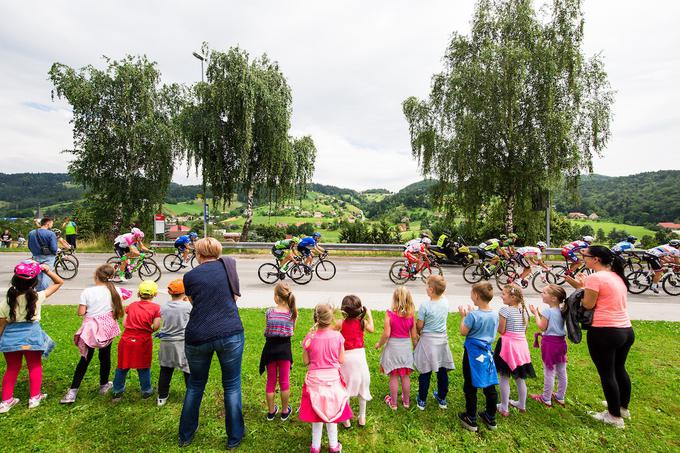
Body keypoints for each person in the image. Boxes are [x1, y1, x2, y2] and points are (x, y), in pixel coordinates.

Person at [179, 237, 245, 449]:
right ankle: (234, 437)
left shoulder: (189, 277)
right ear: (218, 251)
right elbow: (234, 297)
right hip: (230, 332)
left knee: (195, 385)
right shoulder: (229, 268)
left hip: (198, 334)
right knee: (232, 385)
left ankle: (186, 435)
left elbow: (193, 302)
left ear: (198, 255)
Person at [566, 245, 634, 428]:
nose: (583, 259)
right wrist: (583, 286)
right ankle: (622, 408)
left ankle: (613, 417)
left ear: (595, 259)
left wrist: (581, 288)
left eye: (585, 256)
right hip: (625, 329)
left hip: (605, 331)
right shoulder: (616, 275)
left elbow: (588, 304)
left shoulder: (595, 278)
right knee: (619, 369)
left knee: (607, 374)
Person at [60, 264, 129, 404]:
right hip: (107, 327)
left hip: (90, 329)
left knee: (85, 359)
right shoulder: (115, 290)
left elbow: (80, 312)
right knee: (105, 357)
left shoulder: (88, 292)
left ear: (96, 276)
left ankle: (73, 391)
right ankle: (103, 385)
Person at [0, 260, 63, 413]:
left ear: (14, 279)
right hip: (32, 338)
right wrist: (47, 271)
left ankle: (6, 401)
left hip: (10, 339)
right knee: (34, 366)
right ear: (34, 282)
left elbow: (1, 324)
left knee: (12, 368)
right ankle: (34, 397)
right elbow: (58, 282)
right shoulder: (36, 296)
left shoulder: (6, 302)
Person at [299, 303, 352, 453]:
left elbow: (306, 361)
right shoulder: (338, 336)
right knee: (332, 412)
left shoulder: (310, 337)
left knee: (317, 414)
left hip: (315, 382)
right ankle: (334, 446)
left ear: (316, 318)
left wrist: (306, 347)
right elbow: (341, 360)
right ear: (331, 318)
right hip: (333, 381)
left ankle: (315, 447)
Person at [458, 282, 499, 432]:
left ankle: (471, 417)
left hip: (473, 354)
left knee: (470, 384)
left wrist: (464, 316)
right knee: (490, 385)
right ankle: (490, 416)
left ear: (476, 295)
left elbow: (463, 331)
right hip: (487, 353)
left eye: (471, 293)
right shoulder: (494, 314)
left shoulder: (473, 315)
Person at [111, 281, 161, 401]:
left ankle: (117, 391)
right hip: (143, 340)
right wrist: (149, 328)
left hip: (126, 339)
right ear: (155, 294)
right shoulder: (156, 308)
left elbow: (124, 323)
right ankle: (146, 391)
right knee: (143, 366)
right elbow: (156, 326)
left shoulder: (132, 305)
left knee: (122, 366)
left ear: (138, 293)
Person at [414, 275, 455, 411]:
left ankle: (422, 400)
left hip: (428, 342)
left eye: (426, 286)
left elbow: (419, 325)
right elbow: (441, 294)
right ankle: (442, 399)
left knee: (425, 372)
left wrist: (417, 332)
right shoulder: (446, 302)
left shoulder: (425, 305)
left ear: (431, 290)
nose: (425, 288)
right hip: (442, 340)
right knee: (442, 371)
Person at [494, 284, 535, 417]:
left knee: (504, 376)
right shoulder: (524, 312)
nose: (501, 296)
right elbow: (525, 330)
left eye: (504, 294)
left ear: (512, 297)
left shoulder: (504, 311)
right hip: (521, 348)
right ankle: (521, 404)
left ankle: (504, 407)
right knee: (519, 377)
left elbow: (502, 330)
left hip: (507, 347)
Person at [375, 286, 418, 410]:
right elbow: (414, 336)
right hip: (405, 348)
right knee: (405, 376)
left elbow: (386, 334)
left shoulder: (389, 314)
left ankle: (393, 403)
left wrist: (379, 344)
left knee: (393, 375)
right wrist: (415, 348)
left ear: (394, 299)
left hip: (393, 347)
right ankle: (406, 402)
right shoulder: (411, 316)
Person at [259, 282, 297, 421]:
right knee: (284, 382)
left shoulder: (269, 312)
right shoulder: (292, 314)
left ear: (276, 297)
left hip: (270, 349)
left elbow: (268, 329)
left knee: (271, 381)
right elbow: (292, 331)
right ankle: (285, 410)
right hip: (284, 351)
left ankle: (270, 412)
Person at [336, 294, 374, 427]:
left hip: (346, 358)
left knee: (344, 386)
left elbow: (329, 327)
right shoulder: (362, 322)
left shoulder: (340, 323)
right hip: (359, 357)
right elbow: (372, 329)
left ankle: (346, 419)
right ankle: (362, 417)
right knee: (362, 387)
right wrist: (369, 314)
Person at [529, 284, 568, 408]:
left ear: (554, 298)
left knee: (549, 371)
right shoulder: (562, 310)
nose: (542, 293)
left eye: (545, 292)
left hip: (550, 344)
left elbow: (542, 326)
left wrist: (535, 314)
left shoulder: (547, 311)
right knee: (562, 371)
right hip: (561, 343)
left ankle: (546, 398)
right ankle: (560, 397)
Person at [157, 279, 193, 407]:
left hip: (166, 342)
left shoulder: (164, 307)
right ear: (185, 292)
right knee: (187, 370)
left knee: (165, 370)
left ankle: (162, 397)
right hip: (182, 342)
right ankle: (191, 396)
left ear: (169, 292)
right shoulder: (188, 306)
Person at [27, 217, 58, 291]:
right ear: (48, 224)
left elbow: (29, 246)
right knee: (46, 276)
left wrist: (34, 253)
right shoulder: (51, 233)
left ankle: (35, 292)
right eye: (51, 224)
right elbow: (54, 248)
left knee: (37, 276)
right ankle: (40, 294)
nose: (52, 225)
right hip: (48, 257)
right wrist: (54, 253)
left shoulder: (31, 233)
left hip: (36, 256)